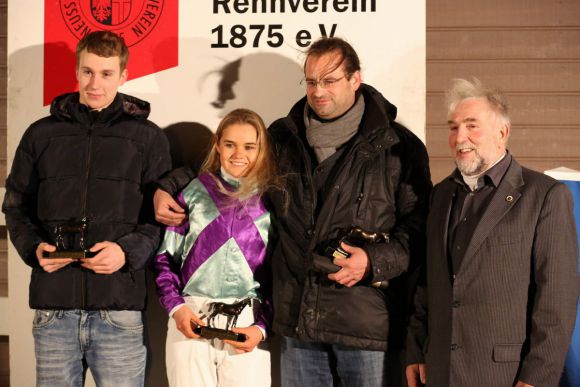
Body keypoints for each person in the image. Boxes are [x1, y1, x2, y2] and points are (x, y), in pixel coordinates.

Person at [154, 37, 432, 386]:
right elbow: (231, 167)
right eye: (312, 81)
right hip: (299, 324)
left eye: (329, 80)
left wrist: (374, 260)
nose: (318, 91)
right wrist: (169, 185)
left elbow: (421, 228)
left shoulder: (399, 147)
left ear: (355, 79)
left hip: (364, 325)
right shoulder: (284, 138)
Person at [2, 31, 171, 386]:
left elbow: (162, 217)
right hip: (53, 310)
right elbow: (15, 205)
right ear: (77, 71)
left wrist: (126, 252)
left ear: (123, 75)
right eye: (88, 72)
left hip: (118, 309)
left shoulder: (148, 137)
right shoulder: (40, 134)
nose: (95, 83)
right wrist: (34, 249)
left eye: (106, 73)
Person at [405, 78, 580, 387]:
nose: (460, 138)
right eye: (453, 127)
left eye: (472, 126)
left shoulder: (545, 196)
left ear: (503, 133)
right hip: (439, 371)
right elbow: (427, 281)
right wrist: (417, 348)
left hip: (505, 376)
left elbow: (557, 298)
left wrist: (538, 377)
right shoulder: (440, 195)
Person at [153, 108, 277, 387]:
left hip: (247, 321)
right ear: (218, 144)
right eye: (230, 144)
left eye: (249, 147)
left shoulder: (272, 202)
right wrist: (177, 309)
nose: (238, 154)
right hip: (192, 317)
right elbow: (164, 259)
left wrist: (261, 327)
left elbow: (279, 275)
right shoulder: (193, 192)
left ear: (261, 150)